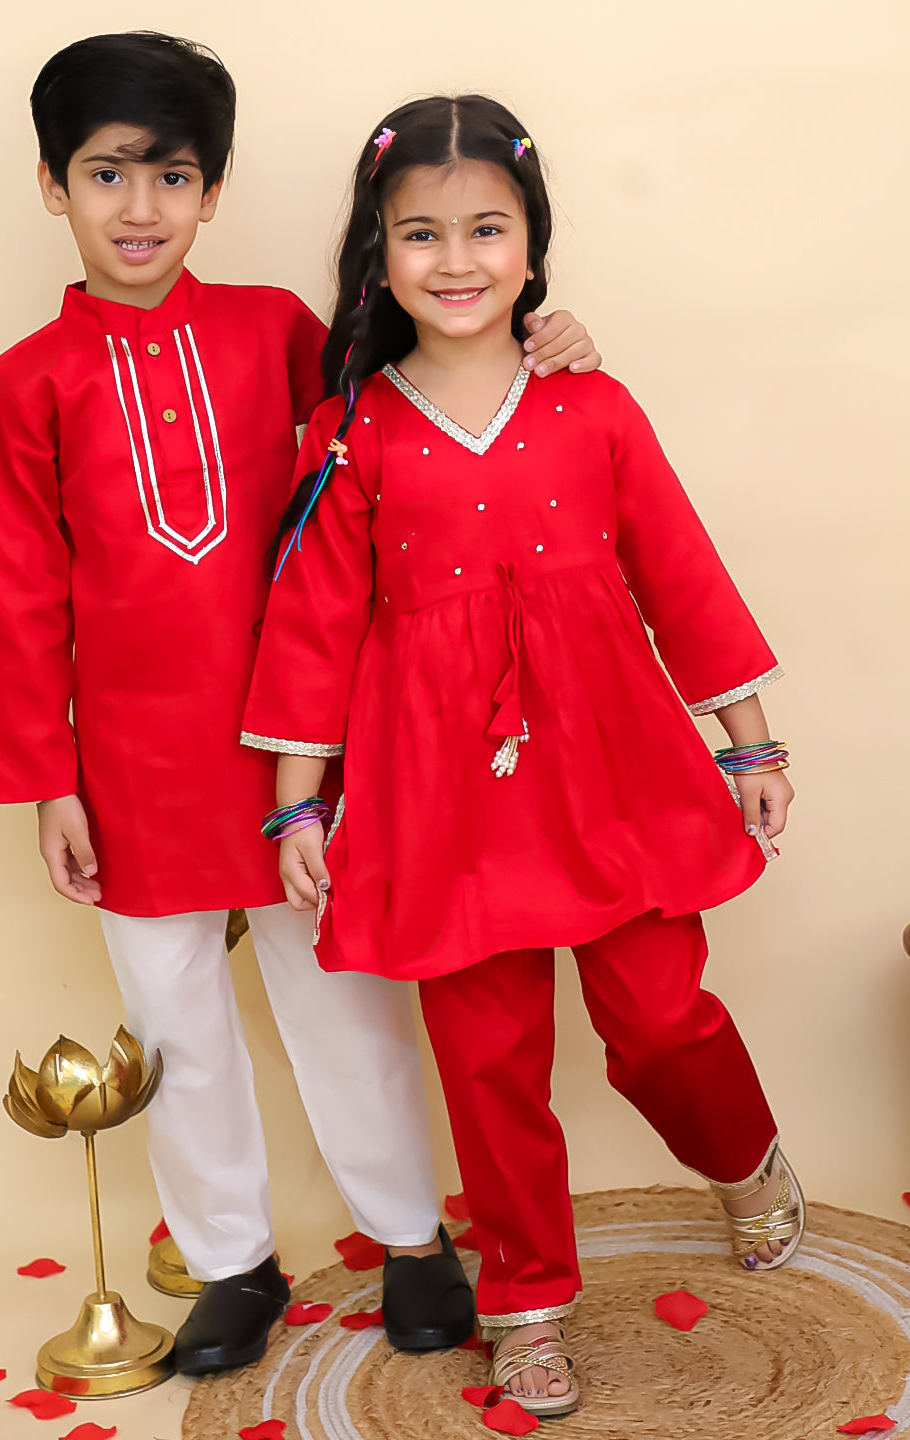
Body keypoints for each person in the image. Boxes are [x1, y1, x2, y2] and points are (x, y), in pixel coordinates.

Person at [0, 35, 603, 1377]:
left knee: (348, 1007)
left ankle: (412, 1240)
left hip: (309, 758)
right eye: (106, 174)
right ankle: (231, 1264)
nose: (140, 208)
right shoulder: (29, 381)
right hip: (133, 769)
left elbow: (414, 417)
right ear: (51, 183)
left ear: (213, 191)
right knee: (178, 1027)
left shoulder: (273, 332)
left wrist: (544, 344)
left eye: (173, 177)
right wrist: (48, 780)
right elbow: (19, 591)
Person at [242, 95, 803, 1417]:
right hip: (443, 794)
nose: (456, 260)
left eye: (486, 229)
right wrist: (295, 808)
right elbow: (314, 624)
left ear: (532, 245)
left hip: (612, 765)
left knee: (658, 1016)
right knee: (489, 1064)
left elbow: (678, 567)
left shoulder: (591, 403)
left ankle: (743, 1154)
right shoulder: (351, 433)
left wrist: (749, 739)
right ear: (378, 254)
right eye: (420, 234)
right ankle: (529, 1304)